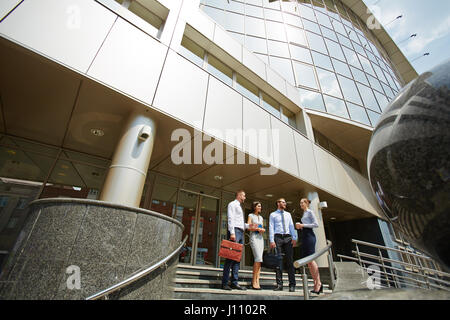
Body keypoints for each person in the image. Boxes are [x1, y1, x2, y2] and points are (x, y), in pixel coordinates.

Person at [221, 190, 248, 291]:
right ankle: (224, 283)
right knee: (230, 257)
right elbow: (231, 218)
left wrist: (249, 226)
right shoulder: (232, 204)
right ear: (239, 195)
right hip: (235, 231)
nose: (245, 198)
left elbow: (240, 222)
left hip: (240, 231)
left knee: (237, 258)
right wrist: (232, 232)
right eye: (244, 196)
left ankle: (234, 282)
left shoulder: (240, 206)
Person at [269, 198, 297, 292]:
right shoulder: (273, 215)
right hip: (278, 238)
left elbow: (291, 226)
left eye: (285, 202)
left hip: (288, 238)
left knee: (290, 261)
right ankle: (279, 285)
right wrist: (272, 240)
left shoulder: (288, 214)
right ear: (278, 203)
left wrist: (294, 237)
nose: (285, 203)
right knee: (278, 262)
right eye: (283, 202)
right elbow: (271, 227)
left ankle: (292, 285)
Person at [295, 198, 322, 294]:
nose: (301, 204)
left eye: (302, 202)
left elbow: (316, 224)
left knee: (311, 260)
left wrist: (302, 225)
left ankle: (318, 283)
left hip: (310, 236)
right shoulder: (304, 213)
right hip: (304, 236)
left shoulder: (310, 212)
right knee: (309, 262)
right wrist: (300, 227)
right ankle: (316, 283)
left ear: (307, 203)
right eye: (300, 202)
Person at [247, 201, 265, 290]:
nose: (260, 207)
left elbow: (262, 227)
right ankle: (253, 281)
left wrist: (262, 229)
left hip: (260, 238)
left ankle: (257, 280)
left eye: (260, 206)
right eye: (258, 206)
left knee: (259, 260)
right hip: (254, 237)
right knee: (257, 258)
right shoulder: (251, 215)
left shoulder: (261, 217)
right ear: (254, 207)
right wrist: (256, 228)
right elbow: (248, 227)